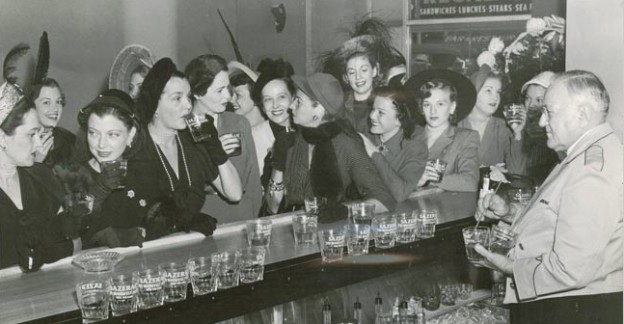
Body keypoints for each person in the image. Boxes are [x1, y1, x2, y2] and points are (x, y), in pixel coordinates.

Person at [474, 71, 623, 324]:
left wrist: (509, 267)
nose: (542, 122)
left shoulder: (590, 170)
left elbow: (571, 269)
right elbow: (561, 218)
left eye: (549, 112)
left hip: (569, 309)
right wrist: (510, 211)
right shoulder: (585, 155)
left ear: (582, 114)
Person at [132, 57, 242, 240]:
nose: (188, 105)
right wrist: (183, 220)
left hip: (190, 251)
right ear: (155, 105)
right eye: (177, 98)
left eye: (189, 97)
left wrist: (216, 150)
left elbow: (234, 193)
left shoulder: (192, 144)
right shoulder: (137, 149)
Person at [268, 72, 395, 220]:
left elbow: (384, 200)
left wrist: (345, 211)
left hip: (331, 231)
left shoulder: (346, 145)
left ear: (319, 110)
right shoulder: (291, 142)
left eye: (298, 101)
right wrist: (278, 164)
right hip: (294, 228)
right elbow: (273, 207)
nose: (291, 106)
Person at [0, 83, 75, 270]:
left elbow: (67, 244)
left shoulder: (42, 178)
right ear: (2, 138)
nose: (39, 145)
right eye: (32, 135)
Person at [63, 89, 147, 248]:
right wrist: (98, 191)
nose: (101, 144)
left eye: (112, 135)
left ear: (130, 135)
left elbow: (153, 220)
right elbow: (70, 236)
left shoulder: (142, 173)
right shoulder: (72, 176)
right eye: (93, 133)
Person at [185, 54, 261, 222]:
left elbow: (253, 178)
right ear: (197, 93)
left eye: (228, 88)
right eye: (219, 90)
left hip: (242, 217)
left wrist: (254, 218)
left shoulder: (239, 123)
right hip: (202, 218)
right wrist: (211, 157)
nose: (227, 96)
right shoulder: (183, 128)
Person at [405, 69, 480, 192]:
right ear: (421, 108)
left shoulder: (465, 137)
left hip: (445, 207)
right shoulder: (409, 135)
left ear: (452, 107)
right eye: (427, 105)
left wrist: (431, 178)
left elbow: (470, 181)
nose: (433, 111)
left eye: (440, 104)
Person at [359, 85, 428, 201]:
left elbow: (400, 193)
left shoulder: (415, 150)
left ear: (399, 120)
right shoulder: (366, 137)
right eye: (373, 109)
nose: (372, 116)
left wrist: (374, 154)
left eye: (380, 112)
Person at [458, 65, 525, 176]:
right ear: (473, 93)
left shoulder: (503, 127)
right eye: (488, 90)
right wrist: (487, 171)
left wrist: (517, 133)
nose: (495, 97)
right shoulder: (456, 127)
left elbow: (517, 174)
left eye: (498, 92)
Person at [228, 61, 273, 175]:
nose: (231, 100)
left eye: (238, 95)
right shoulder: (235, 133)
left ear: (255, 97)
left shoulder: (270, 131)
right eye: (231, 94)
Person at [515, 71, 561, 184]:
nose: (531, 105)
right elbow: (515, 172)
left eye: (539, 100)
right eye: (528, 98)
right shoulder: (519, 129)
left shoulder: (553, 137)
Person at [31, 78, 75, 169]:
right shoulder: (17, 141)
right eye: (46, 102)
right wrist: (36, 162)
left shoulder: (69, 140)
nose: (55, 109)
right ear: (31, 106)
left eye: (58, 102)